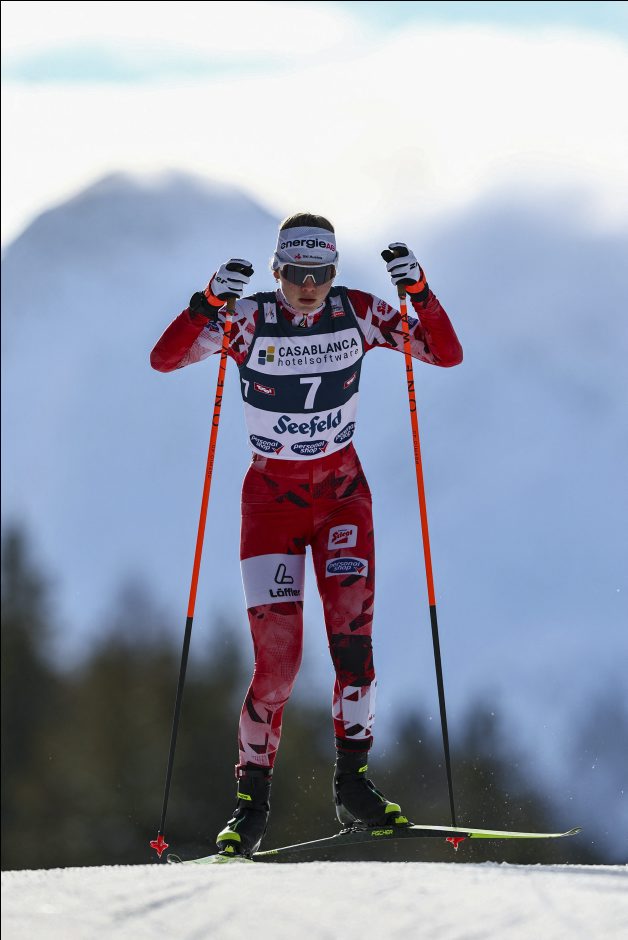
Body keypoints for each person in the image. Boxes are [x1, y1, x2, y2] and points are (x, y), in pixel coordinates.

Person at [150, 212, 463, 858]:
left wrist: (421, 291)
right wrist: (207, 302)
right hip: (272, 505)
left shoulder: (358, 313)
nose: (309, 286)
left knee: (354, 649)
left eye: (321, 272)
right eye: (297, 272)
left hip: (344, 499)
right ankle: (250, 806)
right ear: (277, 270)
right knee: (278, 665)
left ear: (334, 270)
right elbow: (165, 359)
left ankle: (354, 786)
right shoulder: (248, 321)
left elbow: (444, 352)